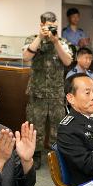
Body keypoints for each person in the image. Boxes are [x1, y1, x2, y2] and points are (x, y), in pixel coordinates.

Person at [22, 11, 73, 168]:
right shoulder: (32, 39)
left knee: (58, 128)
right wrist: (40, 37)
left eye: (53, 26)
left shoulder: (63, 41)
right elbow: (26, 57)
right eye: (47, 26)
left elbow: (67, 61)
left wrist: (55, 41)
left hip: (57, 93)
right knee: (35, 127)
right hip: (37, 93)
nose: (50, 29)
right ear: (41, 25)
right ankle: (35, 155)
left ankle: (57, 155)